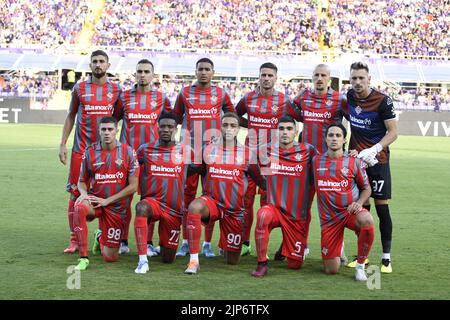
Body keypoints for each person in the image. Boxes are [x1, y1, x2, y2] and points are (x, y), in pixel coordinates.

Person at [184, 112, 265, 274]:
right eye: (225, 125)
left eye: (233, 126)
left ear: (238, 129)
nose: (228, 129)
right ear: (219, 127)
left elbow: (261, 181)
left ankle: (225, 244)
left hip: (234, 211)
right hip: (211, 203)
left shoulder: (248, 153)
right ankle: (193, 261)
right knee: (194, 207)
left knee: (232, 261)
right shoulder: (208, 149)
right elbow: (194, 169)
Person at [236, 62, 302, 257]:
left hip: (272, 160)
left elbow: (295, 120)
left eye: (270, 75)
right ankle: (245, 243)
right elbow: (234, 115)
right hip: (250, 159)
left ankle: (278, 246)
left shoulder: (283, 100)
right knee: (246, 202)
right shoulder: (248, 98)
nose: (266, 78)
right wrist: (251, 125)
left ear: (276, 78)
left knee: (271, 204)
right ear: (259, 76)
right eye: (263, 75)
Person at [59, 50, 122, 254]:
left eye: (102, 61)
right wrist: (62, 143)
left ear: (108, 66)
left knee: (108, 195)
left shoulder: (116, 90)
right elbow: (70, 116)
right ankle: (74, 240)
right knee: (75, 193)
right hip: (81, 151)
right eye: (94, 61)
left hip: (106, 153)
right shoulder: (79, 88)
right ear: (90, 65)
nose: (98, 64)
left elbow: (120, 119)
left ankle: (105, 235)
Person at [173, 58, 235, 258]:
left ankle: (207, 244)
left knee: (212, 199)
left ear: (213, 72)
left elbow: (231, 116)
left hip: (213, 155)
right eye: (200, 69)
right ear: (195, 71)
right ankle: (185, 242)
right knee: (186, 199)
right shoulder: (185, 93)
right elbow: (174, 118)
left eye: (207, 69)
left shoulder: (221, 93)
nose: (204, 72)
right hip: (190, 154)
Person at [291, 63, 348, 264]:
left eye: (324, 75)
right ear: (312, 78)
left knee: (334, 209)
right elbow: (289, 112)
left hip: (330, 164)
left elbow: (353, 123)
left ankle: (338, 249)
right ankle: (301, 245)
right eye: (316, 75)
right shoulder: (303, 96)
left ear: (330, 78)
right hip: (306, 162)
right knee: (302, 208)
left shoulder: (340, 100)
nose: (320, 78)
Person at [114, 59, 172, 256]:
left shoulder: (162, 98)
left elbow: (170, 123)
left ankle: (147, 242)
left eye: (146, 71)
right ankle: (122, 240)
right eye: (139, 71)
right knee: (124, 200)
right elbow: (113, 122)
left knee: (149, 199)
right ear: (135, 74)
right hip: (126, 157)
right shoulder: (123, 97)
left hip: (151, 158)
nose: (142, 74)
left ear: (153, 75)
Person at [345, 62, 398, 273]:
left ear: (369, 79)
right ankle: (362, 257)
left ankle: (386, 257)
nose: (357, 82)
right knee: (361, 209)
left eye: (361, 78)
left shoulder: (383, 100)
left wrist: (375, 149)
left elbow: (393, 132)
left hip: (379, 161)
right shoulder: (349, 97)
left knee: (382, 207)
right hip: (357, 163)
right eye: (354, 78)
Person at [251, 115, 316, 278]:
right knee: (262, 215)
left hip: (295, 215)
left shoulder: (308, 150)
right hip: (274, 209)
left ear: (296, 132)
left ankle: (284, 246)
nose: (285, 132)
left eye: (289, 129)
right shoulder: (265, 150)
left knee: (295, 265)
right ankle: (262, 264)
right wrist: (263, 182)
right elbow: (250, 165)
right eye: (281, 129)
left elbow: (325, 163)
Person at [71, 116, 139, 270]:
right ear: (99, 131)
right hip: (96, 202)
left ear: (116, 131)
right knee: (79, 208)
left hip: (116, 207)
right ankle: (83, 258)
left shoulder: (128, 152)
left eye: (110, 129)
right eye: (104, 129)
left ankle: (100, 236)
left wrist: (108, 201)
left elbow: (133, 186)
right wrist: (83, 193)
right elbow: (81, 181)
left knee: (110, 257)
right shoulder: (90, 152)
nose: (107, 133)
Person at [312, 123, 375, 281]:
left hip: (349, 212)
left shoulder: (354, 161)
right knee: (332, 270)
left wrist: (359, 203)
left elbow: (367, 189)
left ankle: (360, 266)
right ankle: (338, 246)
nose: (334, 138)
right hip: (329, 220)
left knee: (366, 219)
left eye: (338, 136)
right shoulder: (315, 161)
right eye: (331, 135)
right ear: (326, 139)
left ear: (344, 140)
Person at [133, 113, 190, 274]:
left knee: (168, 259)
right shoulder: (145, 150)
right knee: (141, 207)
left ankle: (162, 245)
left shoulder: (185, 151)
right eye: (163, 126)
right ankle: (142, 260)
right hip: (153, 203)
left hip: (173, 210)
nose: (166, 130)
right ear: (157, 128)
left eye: (170, 127)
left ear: (176, 129)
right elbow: (129, 167)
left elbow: (201, 170)